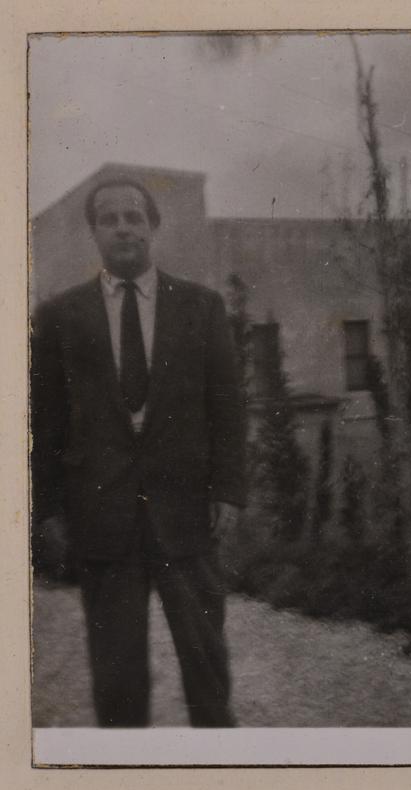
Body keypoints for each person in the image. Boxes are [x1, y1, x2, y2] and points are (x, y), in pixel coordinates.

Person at [31, 177, 246, 727]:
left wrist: (227, 490)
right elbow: (44, 422)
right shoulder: (59, 317)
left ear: (153, 226)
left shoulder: (201, 307)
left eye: (134, 216)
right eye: (109, 219)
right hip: (102, 518)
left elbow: (227, 404)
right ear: (94, 232)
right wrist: (48, 510)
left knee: (207, 672)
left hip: (186, 513)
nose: (123, 227)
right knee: (117, 684)